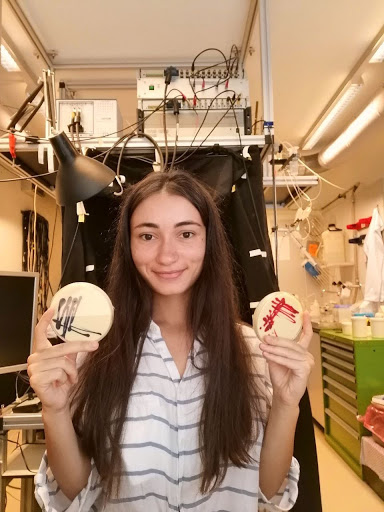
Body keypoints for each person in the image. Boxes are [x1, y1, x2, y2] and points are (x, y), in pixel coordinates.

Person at [29, 170, 314, 511]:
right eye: (148, 236)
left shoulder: (254, 351)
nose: (167, 255)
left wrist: (286, 402)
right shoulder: (94, 352)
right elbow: (79, 493)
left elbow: (266, 491)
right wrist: (54, 409)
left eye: (186, 233)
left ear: (208, 241)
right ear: (128, 245)